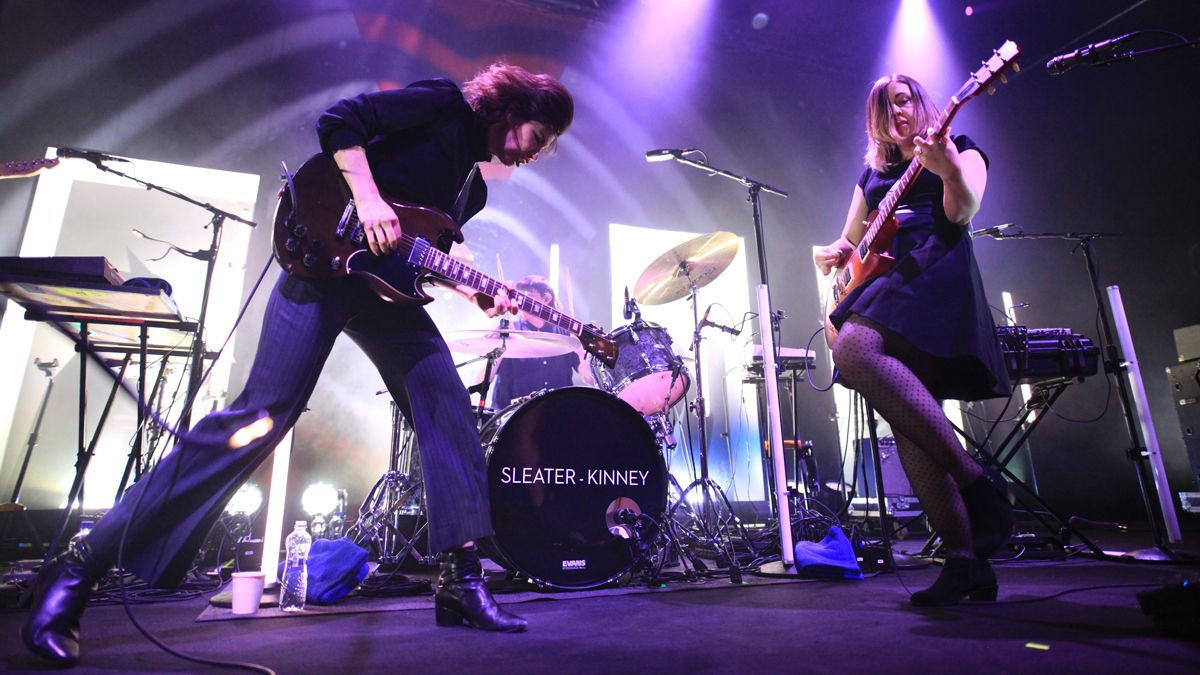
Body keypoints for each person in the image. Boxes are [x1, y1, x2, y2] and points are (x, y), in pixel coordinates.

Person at [21, 61, 573, 665]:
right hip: (321, 261)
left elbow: (417, 251)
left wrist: (475, 291)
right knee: (258, 419)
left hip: (379, 294)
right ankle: (81, 565)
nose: (538, 154)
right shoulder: (444, 105)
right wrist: (366, 199)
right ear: (515, 111)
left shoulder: (474, 188)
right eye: (542, 138)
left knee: (447, 408)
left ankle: (461, 582)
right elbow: (341, 122)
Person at [814, 74, 1013, 606]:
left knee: (853, 348)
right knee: (909, 426)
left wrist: (946, 168)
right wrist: (834, 253)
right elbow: (852, 238)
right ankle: (965, 561)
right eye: (884, 107)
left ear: (921, 104)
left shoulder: (961, 148)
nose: (896, 112)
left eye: (903, 101)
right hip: (883, 279)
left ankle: (976, 483)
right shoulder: (873, 173)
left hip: (931, 267)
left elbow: (962, 211)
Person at [489, 274, 594, 410]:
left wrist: (581, 350)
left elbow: (590, 380)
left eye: (527, 295)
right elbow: (480, 381)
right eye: (518, 296)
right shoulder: (508, 331)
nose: (520, 301)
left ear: (546, 299)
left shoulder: (565, 335)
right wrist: (498, 346)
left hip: (557, 415)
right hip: (512, 419)